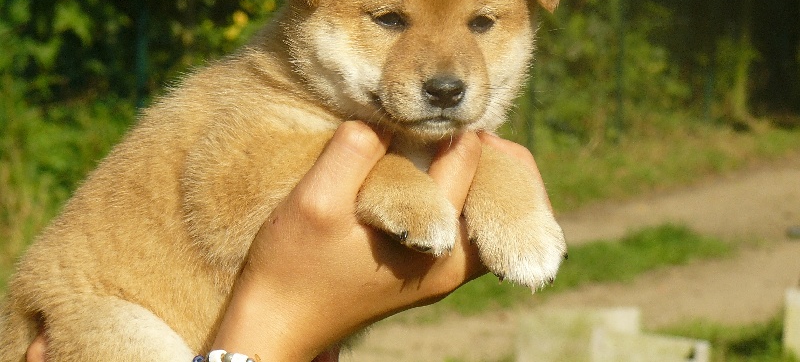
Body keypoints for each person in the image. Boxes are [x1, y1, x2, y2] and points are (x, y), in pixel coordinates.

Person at [26, 121, 552, 362]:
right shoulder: (260, 97)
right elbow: (226, 207)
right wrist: (277, 326)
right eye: (389, 18)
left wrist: (497, 184)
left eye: (482, 22)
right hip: (105, 317)